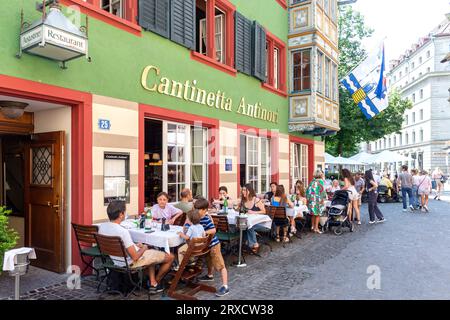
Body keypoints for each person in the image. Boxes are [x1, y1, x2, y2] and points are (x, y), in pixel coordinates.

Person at [98, 200, 174, 294]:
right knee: (171, 257)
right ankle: (155, 283)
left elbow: (124, 247)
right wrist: (144, 247)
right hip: (130, 263)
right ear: (121, 214)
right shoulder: (122, 232)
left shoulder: (102, 227)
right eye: (125, 212)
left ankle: (151, 279)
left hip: (115, 260)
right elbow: (135, 257)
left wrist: (136, 246)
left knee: (152, 253)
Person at [194, 197, 229, 297]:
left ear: (205, 210)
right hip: (206, 245)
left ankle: (225, 286)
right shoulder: (198, 218)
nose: (196, 211)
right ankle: (209, 275)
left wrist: (204, 232)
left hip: (214, 244)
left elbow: (213, 230)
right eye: (195, 209)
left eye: (198, 210)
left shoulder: (205, 218)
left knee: (219, 264)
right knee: (209, 260)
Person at [239, 184, 267, 253]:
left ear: (250, 191)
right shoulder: (243, 201)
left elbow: (264, 211)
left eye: (245, 190)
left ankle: (254, 244)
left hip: (261, 224)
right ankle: (246, 243)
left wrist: (253, 212)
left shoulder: (256, 200)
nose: (243, 192)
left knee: (249, 225)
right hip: (250, 222)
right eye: (242, 190)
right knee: (244, 225)